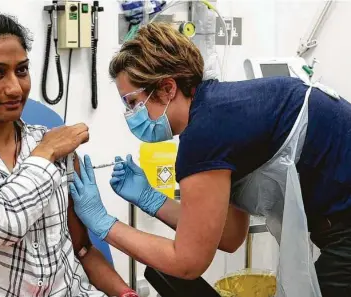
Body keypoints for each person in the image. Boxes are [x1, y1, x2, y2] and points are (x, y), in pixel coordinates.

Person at [69, 22, 351, 297]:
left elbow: (188, 263)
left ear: (168, 88)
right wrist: (151, 199)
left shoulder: (205, 135)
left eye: (133, 102)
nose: (131, 115)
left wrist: (103, 222)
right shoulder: (220, 110)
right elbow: (229, 236)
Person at [0, 11, 139, 297]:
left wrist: (125, 293)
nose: (15, 88)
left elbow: (82, 249)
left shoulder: (49, 141)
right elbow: (2, 225)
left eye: (22, 70)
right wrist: (45, 152)